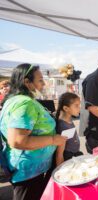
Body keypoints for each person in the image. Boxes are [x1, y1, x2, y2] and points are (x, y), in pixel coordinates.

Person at [0, 63, 67, 200]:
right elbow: (18, 141)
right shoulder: (24, 103)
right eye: (40, 80)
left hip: (33, 170)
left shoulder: (21, 100)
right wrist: (54, 140)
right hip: (27, 173)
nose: (43, 83)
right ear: (27, 82)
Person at [55, 92, 83, 164]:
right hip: (68, 158)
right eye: (76, 106)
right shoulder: (63, 126)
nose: (79, 108)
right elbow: (59, 153)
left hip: (74, 153)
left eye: (79, 105)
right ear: (66, 108)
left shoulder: (68, 119)